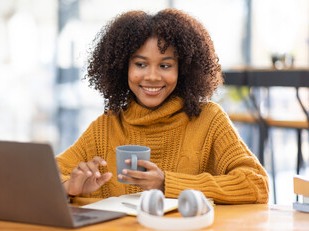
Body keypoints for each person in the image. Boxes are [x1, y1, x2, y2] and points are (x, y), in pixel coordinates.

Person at [56, 8, 269, 204]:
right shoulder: (105, 128)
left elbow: (257, 184)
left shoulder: (209, 119)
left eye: (165, 65)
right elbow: (47, 174)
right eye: (140, 64)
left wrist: (167, 184)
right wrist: (69, 187)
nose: (152, 76)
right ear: (123, 67)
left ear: (183, 69)